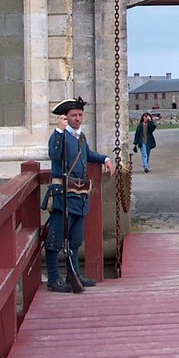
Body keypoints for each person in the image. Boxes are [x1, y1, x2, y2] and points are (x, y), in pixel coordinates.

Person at [43, 96, 115, 293]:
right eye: (73, 115)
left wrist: (105, 159)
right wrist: (58, 131)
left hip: (79, 197)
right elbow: (54, 155)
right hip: (63, 197)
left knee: (75, 239)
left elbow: (87, 155)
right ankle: (54, 278)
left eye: (80, 115)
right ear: (65, 117)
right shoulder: (60, 136)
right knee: (55, 239)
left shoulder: (80, 137)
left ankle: (74, 274)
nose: (77, 118)